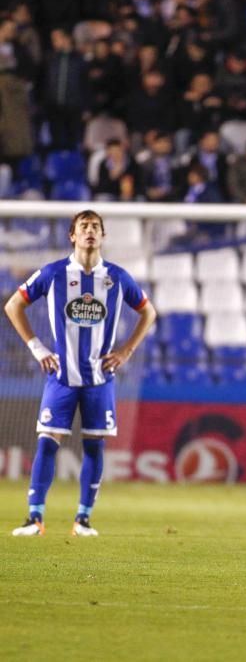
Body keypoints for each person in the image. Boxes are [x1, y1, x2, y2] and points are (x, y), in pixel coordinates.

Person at [6, 211, 157, 536]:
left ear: (102, 236)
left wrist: (126, 351)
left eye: (95, 227)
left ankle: (83, 519)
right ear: (72, 235)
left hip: (99, 379)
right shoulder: (54, 273)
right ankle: (35, 518)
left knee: (94, 446)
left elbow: (149, 312)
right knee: (47, 442)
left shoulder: (117, 277)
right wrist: (36, 347)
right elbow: (13, 305)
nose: (90, 232)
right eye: (83, 227)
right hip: (62, 375)